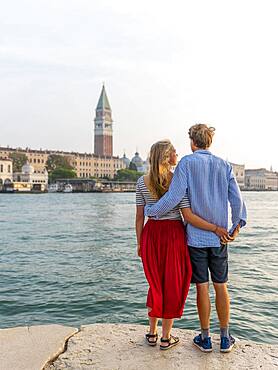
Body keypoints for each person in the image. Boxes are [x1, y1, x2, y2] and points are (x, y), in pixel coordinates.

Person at [145, 125, 247, 353]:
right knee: (222, 286)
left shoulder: (186, 164)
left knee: (202, 287)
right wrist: (236, 227)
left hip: (196, 240)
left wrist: (152, 211)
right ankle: (225, 338)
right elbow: (237, 200)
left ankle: (205, 339)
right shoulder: (224, 165)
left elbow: (175, 196)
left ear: (193, 142)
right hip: (220, 239)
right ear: (209, 142)